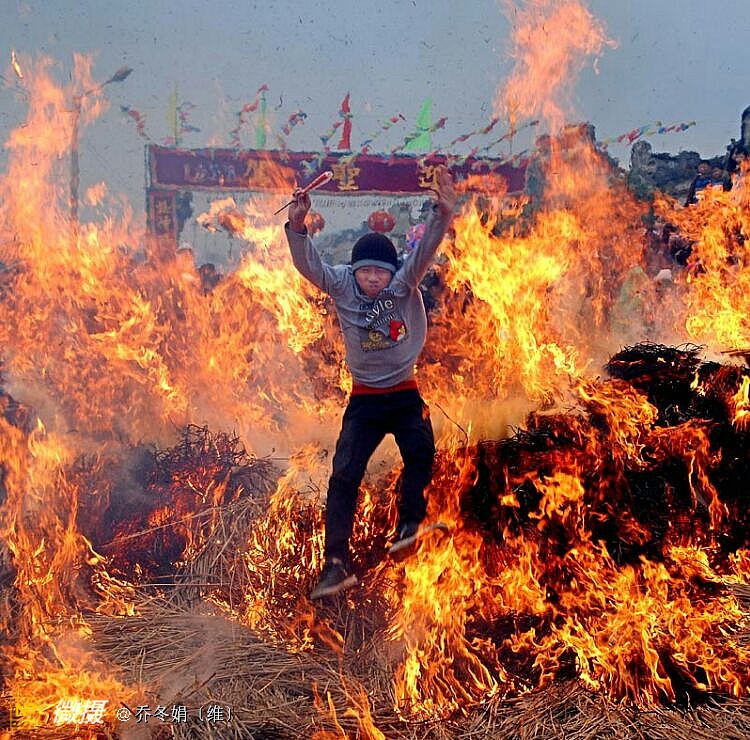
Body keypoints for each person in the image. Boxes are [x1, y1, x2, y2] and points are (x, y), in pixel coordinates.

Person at [284, 166, 457, 599]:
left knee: (421, 451)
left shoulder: (403, 284)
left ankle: (410, 526)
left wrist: (443, 213)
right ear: (355, 271)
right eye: (367, 272)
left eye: (381, 272)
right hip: (364, 401)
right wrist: (297, 225)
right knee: (344, 475)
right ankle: (334, 565)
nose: (374, 278)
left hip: (404, 393)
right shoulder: (342, 285)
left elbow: (426, 249)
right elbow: (310, 265)